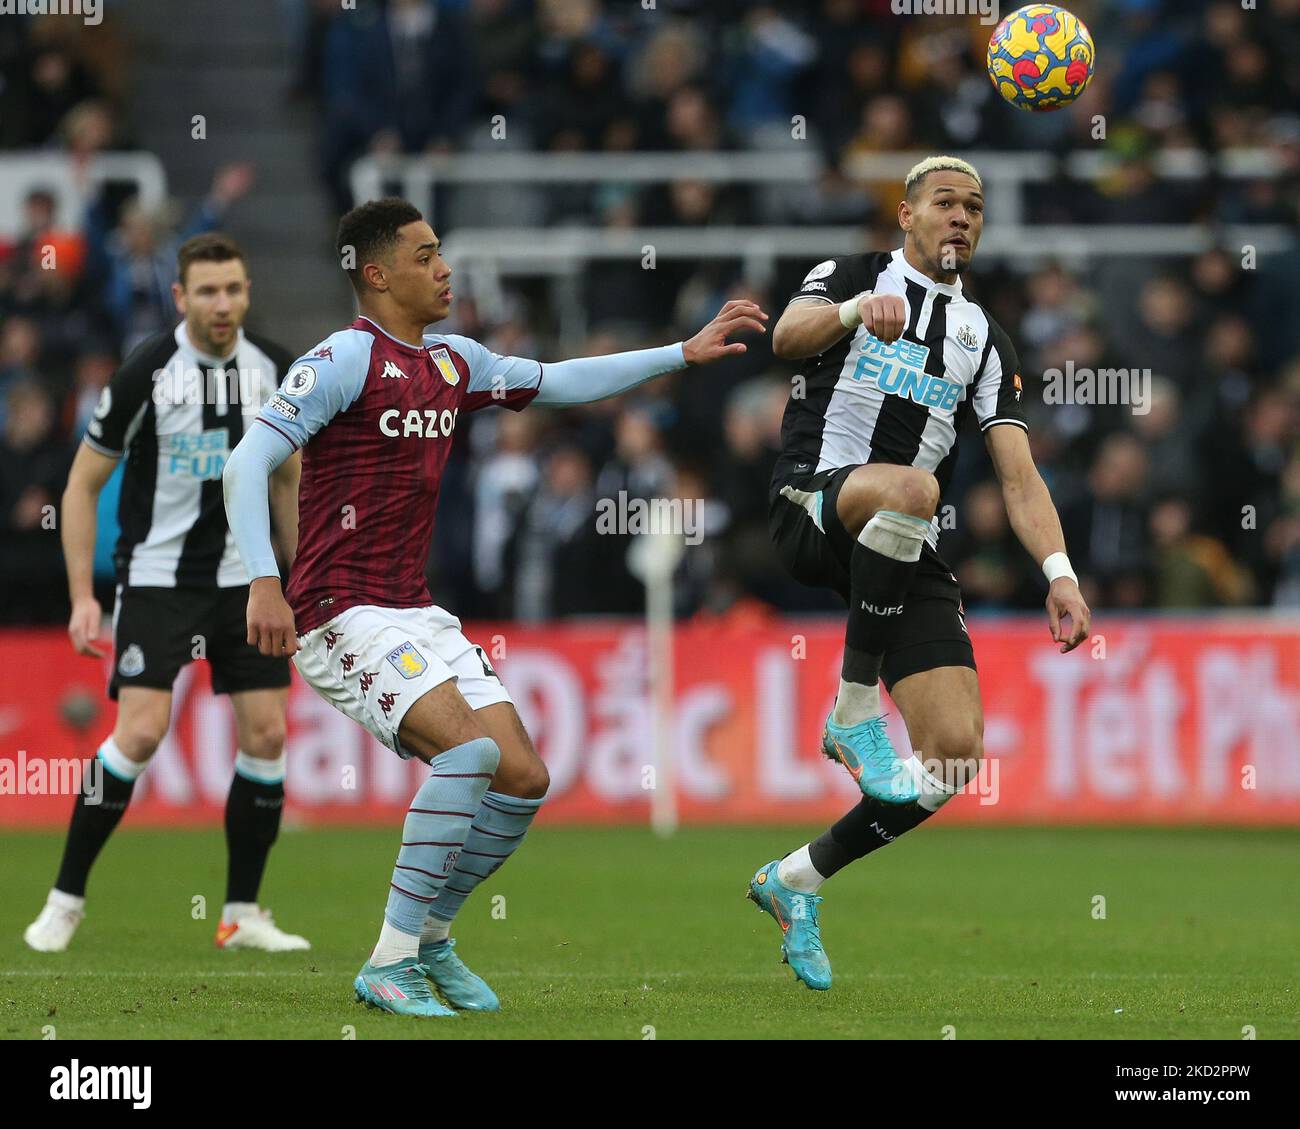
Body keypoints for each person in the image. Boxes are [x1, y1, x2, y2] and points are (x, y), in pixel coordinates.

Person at [221, 197, 766, 1018]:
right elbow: (246, 460)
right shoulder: (339, 359)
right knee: (468, 755)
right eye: (427, 254)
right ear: (377, 274)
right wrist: (262, 577)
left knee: (522, 774)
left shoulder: (454, 361)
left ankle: (432, 938)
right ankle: (389, 960)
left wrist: (679, 354)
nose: (445, 268)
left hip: (416, 610)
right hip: (339, 609)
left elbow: (560, 382)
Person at [750, 156, 1091, 990]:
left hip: (899, 542)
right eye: (945, 202)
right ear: (906, 215)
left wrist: (1060, 572)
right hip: (814, 501)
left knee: (954, 754)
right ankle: (855, 706)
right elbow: (784, 338)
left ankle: (797, 880)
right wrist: (851, 314)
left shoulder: (982, 337)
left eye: (976, 206)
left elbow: (1019, 476)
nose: (962, 217)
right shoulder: (852, 274)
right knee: (916, 487)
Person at [23, 234, 309, 955]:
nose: (223, 304)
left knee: (268, 733)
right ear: (180, 297)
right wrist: (83, 596)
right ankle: (65, 898)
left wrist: (301, 581)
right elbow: (81, 486)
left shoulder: (274, 367)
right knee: (143, 730)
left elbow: (288, 480)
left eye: (234, 289)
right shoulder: (145, 371)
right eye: (208, 291)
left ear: (247, 292)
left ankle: (242, 912)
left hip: (247, 582)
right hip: (157, 576)